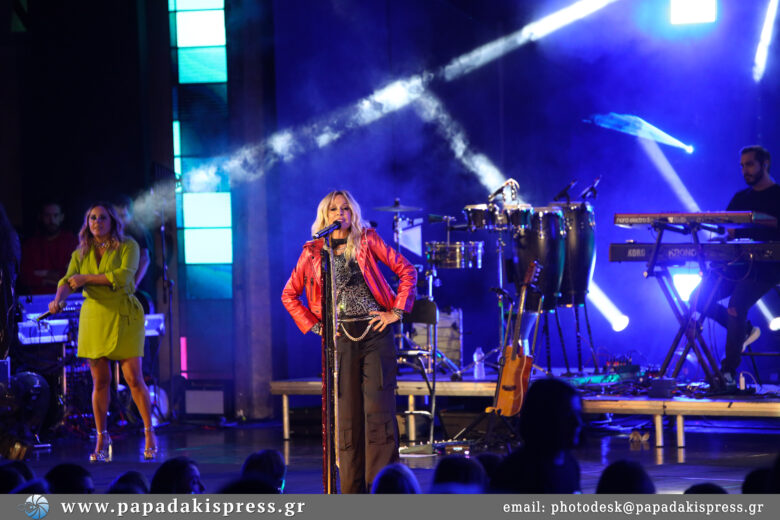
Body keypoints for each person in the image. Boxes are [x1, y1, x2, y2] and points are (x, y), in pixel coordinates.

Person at [281, 190, 416, 494]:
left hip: (375, 333)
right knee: (347, 418)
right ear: (325, 215)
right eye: (333, 209)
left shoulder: (367, 239)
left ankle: (383, 488)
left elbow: (407, 270)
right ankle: (352, 493)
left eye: (345, 208)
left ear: (352, 212)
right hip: (340, 338)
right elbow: (289, 294)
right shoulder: (314, 251)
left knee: (378, 412)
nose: (339, 213)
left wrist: (396, 312)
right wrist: (317, 327)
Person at [48, 203, 157, 462]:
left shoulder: (128, 246)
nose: (97, 222)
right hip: (94, 317)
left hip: (124, 315)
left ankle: (149, 433)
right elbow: (67, 280)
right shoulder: (81, 252)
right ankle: (101, 436)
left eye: (102, 217)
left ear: (112, 221)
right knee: (101, 381)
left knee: (133, 378)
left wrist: (85, 279)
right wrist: (58, 299)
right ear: (87, 223)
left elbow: (123, 277)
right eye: (92, 218)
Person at [693, 145, 780, 391]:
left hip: (767, 267)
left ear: (765, 164)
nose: (745, 170)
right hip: (736, 265)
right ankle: (745, 330)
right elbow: (729, 232)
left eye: (749, 164)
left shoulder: (777, 195)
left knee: (736, 305)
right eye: (742, 166)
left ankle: (728, 372)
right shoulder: (740, 198)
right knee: (697, 298)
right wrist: (716, 243)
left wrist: (761, 221)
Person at [20, 201, 78, 295]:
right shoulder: (30, 244)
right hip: (37, 298)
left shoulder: (72, 242)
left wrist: (43, 273)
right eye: (47, 215)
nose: (52, 220)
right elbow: (25, 276)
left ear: (62, 217)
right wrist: (50, 276)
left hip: (67, 297)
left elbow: (74, 275)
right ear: (41, 217)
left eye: (55, 215)